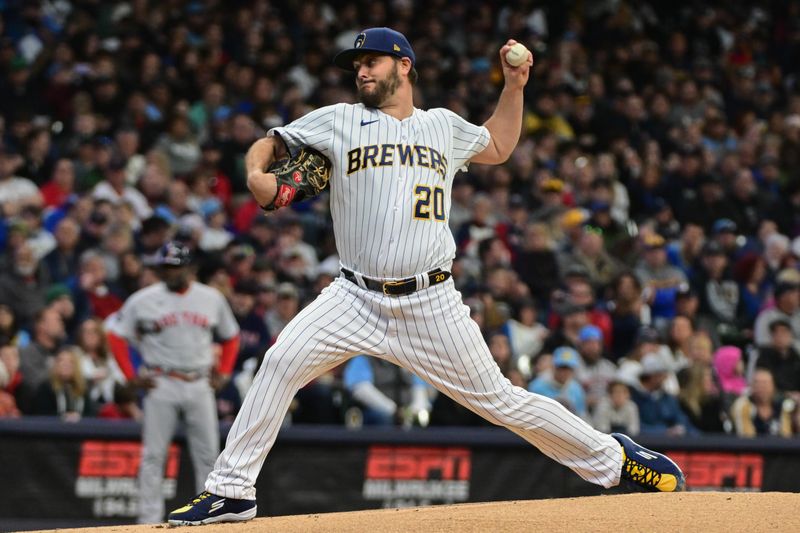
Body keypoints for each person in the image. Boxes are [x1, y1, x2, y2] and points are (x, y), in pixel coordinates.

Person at [168, 28, 684, 526]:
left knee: (502, 400)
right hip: (352, 295)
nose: (361, 71)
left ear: (404, 65)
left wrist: (514, 86)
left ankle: (616, 458)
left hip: (429, 302)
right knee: (279, 362)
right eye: (356, 66)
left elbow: (500, 146)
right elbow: (270, 143)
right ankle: (230, 492)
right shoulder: (340, 119)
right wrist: (257, 173)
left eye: (371, 61)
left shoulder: (441, 125)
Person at [106, 241, 240, 524]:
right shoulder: (142, 299)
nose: (169, 273)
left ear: (190, 269)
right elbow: (116, 335)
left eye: (175, 267)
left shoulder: (210, 298)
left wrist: (225, 370)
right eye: (165, 268)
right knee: (154, 456)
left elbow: (231, 335)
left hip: (199, 382)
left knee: (208, 457)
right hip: (161, 382)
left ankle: (208, 517)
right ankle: (148, 521)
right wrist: (131, 375)